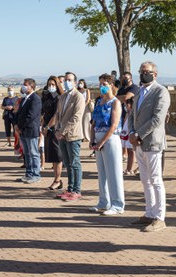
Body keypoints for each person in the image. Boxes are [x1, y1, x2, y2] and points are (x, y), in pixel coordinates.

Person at [128, 61, 170, 232]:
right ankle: (149, 212)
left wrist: (138, 134)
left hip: (152, 141)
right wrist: (131, 132)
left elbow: (158, 118)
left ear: (155, 74)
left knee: (155, 179)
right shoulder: (139, 92)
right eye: (141, 71)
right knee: (145, 179)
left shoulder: (161, 91)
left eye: (147, 71)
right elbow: (132, 115)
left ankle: (160, 216)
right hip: (138, 142)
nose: (144, 74)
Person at [88, 73, 125, 215]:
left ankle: (117, 204)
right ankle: (104, 201)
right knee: (102, 172)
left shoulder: (115, 102)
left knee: (113, 172)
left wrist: (102, 141)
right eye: (100, 84)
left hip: (110, 139)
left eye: (104, 84)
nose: (101, 86)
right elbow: (94, 123)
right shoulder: (99, 102)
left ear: (111, 85)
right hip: (98, 139)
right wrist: (92, 140)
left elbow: (114, 125)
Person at [55, 72, 85, 201]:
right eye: (65, 80)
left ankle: (76, 190)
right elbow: (58, 114)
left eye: (69, 80)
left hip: (73, 135)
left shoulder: (78, 97)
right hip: (61, 135)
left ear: (75, 82)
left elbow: (76, 117)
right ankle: (70, 188)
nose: (67, 82)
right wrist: (57, 129)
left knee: (75, 163)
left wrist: (63, 130)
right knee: (67, 163)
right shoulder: (63, 97)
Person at [14, 78, 42, 184]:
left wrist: (20, 126)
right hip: (23, 130)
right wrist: (16, 125)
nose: (23, 87)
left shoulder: (35, 99)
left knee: (34, 153)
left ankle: (36, 174)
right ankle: (29, 173)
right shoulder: (25, 98)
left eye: (25, 85)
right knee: (27, 153)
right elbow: (19, 113)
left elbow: (31, 116)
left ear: (31, 86)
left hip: (30, 130)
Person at [41, 76, 64, 190]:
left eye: (53, 84)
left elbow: (56, 115)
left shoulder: (59, 98)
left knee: (57, 156)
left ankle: (58, 180)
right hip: (47, 129)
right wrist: (43, 125)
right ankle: (56, 178)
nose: (51, 86)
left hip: (55, 129)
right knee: (53, 157)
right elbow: (45, 113)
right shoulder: (47, 97)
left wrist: (48, 127)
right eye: (49, 84)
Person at [116, 71, 140, 161]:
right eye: (122, 78)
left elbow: (126, 97)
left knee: (128, 137)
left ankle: (129, 157)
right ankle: (123, 153)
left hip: (130, 116)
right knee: (122, 136)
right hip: (121, 115)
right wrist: (120, 98)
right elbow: (116, 99)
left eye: (126, 78)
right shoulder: (121, 89)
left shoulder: (134, 88)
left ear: (131, 78)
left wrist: (120, 98)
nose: (124, 80)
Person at [121, 98, 136, 175]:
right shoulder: (127, 114)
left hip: (131, 134)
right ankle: (128, 168)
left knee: (131, 152)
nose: (125, 107)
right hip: (126, 134)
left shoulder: (134, 114)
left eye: (126, 105)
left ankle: (130, 169)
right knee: (129, 151)